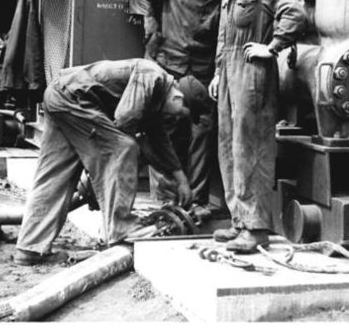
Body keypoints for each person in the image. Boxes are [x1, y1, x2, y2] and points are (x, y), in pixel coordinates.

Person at [14, 58, 207, 265]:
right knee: (124, 147)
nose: (176, 118)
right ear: (178, 97)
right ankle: (120, 227)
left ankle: (29, 248)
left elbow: (158, 140)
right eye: (181, 114)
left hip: (59, 95)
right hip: (73, 99)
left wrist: (180, 179)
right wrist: (103, 176)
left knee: (54, 175)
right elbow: (124, 120)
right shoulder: (153, 77)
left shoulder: (158, 98)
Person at [208, 0, 307, 253]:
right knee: (227, 147)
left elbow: (294, 12)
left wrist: (273, 47)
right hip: (228, 73)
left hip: (252, 75)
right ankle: (239, 221)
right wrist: (217, 72)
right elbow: (224, 33)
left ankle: (257, 228)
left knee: (249, 149)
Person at [129, 0, 228, 215]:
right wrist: (149, 18)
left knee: (204, 130)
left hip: (202, 73)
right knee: (164, 127)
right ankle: (166, 199)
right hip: (168, 66)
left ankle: (196, 201)